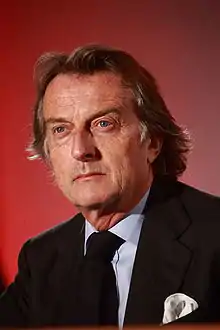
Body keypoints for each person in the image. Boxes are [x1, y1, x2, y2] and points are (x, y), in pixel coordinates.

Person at [0, 44, 220, 328]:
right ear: (48, 153)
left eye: (103, 123)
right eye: (61, 130)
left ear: (152, 141)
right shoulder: (42, 259)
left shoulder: (213, 237)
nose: (81, 150)